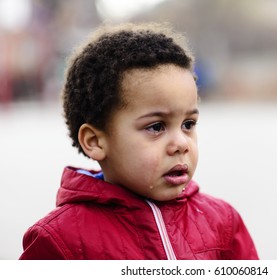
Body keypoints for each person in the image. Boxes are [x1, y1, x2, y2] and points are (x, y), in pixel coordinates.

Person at [19, 22, 259, 260]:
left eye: (188, 124)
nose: (182, 144)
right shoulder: (59, 240)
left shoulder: (223, 222)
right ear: (95, 141)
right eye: (156, 127)